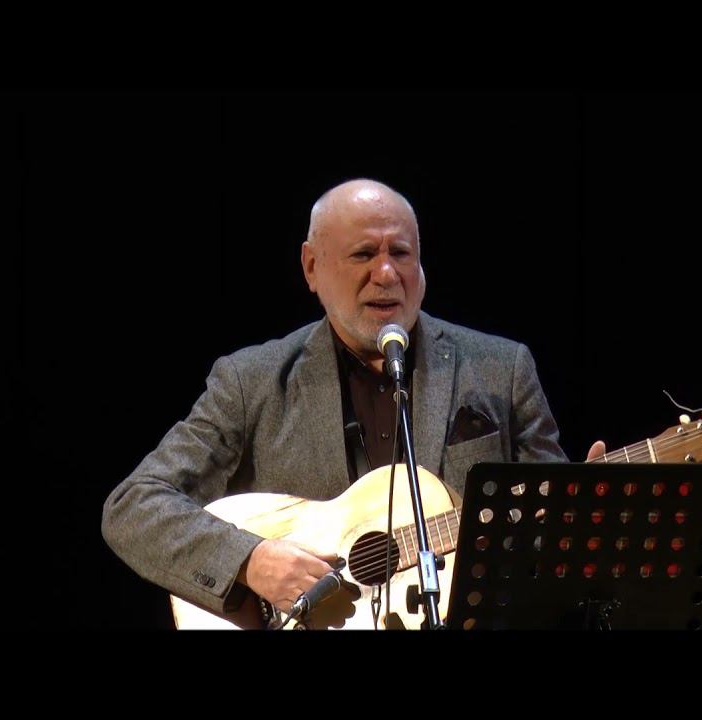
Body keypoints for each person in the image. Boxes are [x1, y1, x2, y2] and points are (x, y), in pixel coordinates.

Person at [101, 179, 607, 622]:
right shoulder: (250, 382)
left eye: (401, 253)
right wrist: (250, 561)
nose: (386, 273)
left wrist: (579, 519)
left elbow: (551, 551)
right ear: (312, 267)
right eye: (364, 255)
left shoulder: (502, 368)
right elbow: (133, 507)